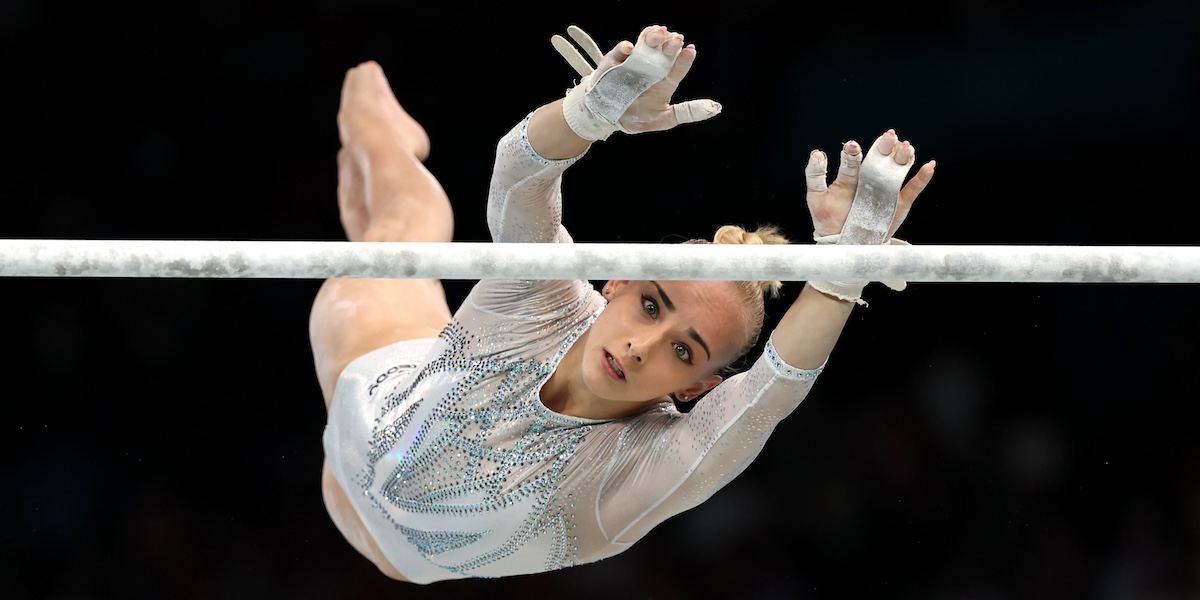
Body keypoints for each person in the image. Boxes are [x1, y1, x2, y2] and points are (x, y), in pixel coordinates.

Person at [309, 24, 936, 584]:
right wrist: (588, 111)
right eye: (652, 306)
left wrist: (841, 276)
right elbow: (520, 178)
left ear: (698, 388)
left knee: (384, 239)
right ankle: (371, 117)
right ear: (616, 282)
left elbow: (772, 390)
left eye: (684, 350)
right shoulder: (547, 295)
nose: (642, 346)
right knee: (392, 234)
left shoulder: (645, 469)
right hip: (368, 397)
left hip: (389, 545)